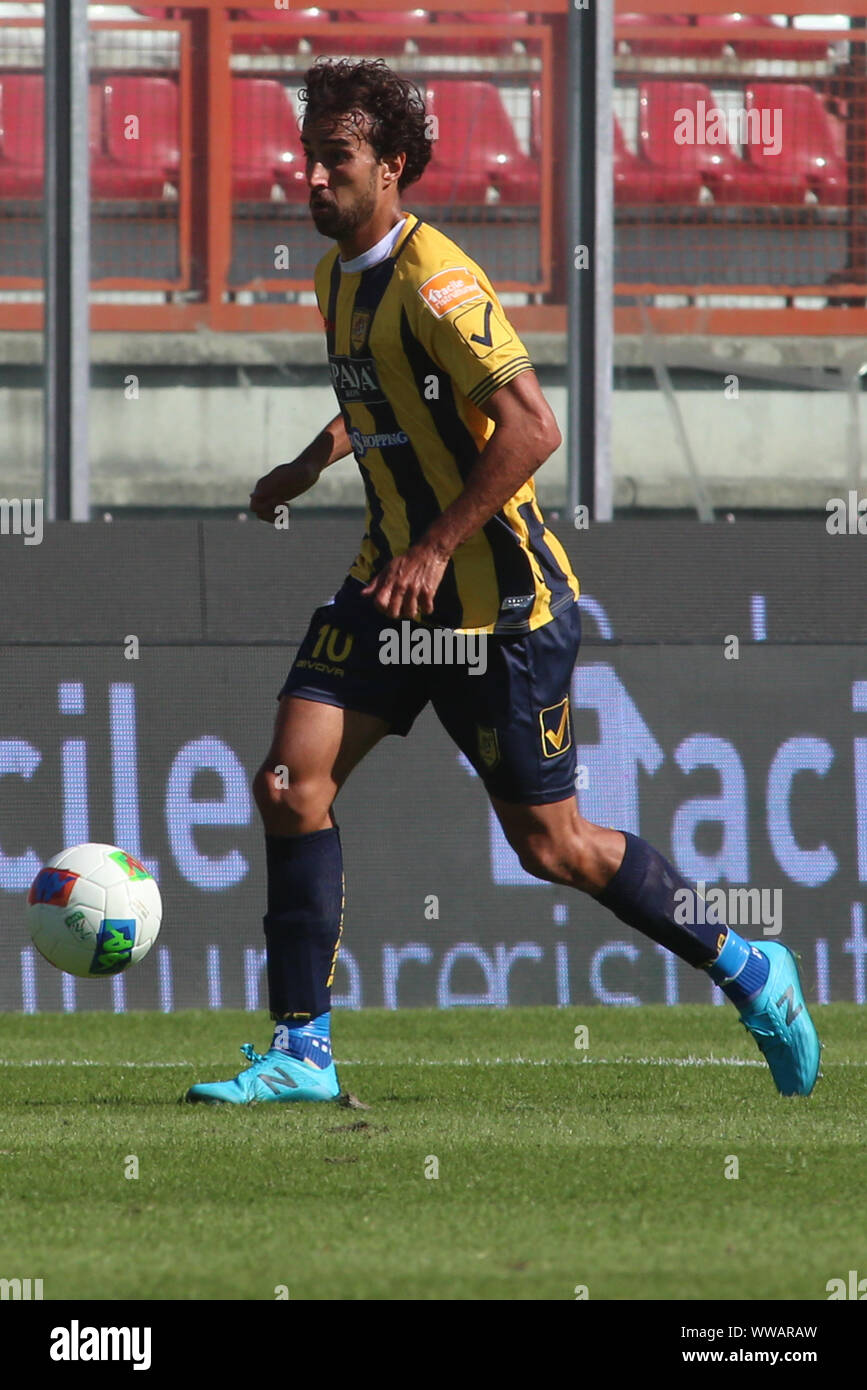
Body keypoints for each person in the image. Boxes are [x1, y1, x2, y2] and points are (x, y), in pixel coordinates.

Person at [185, 58, 819, 1104]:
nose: (309, 175)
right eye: (306, 154)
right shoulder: (335, 274)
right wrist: (314, 459)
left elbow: (532, 426)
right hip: (390, 587)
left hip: (496, 602)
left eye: (333, 158)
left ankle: (752, 968)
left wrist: (436, 547)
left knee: (552, 845)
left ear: (392, 167)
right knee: (289, 784)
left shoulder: (442, 281)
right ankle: (302, 1048)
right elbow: (389, 398)